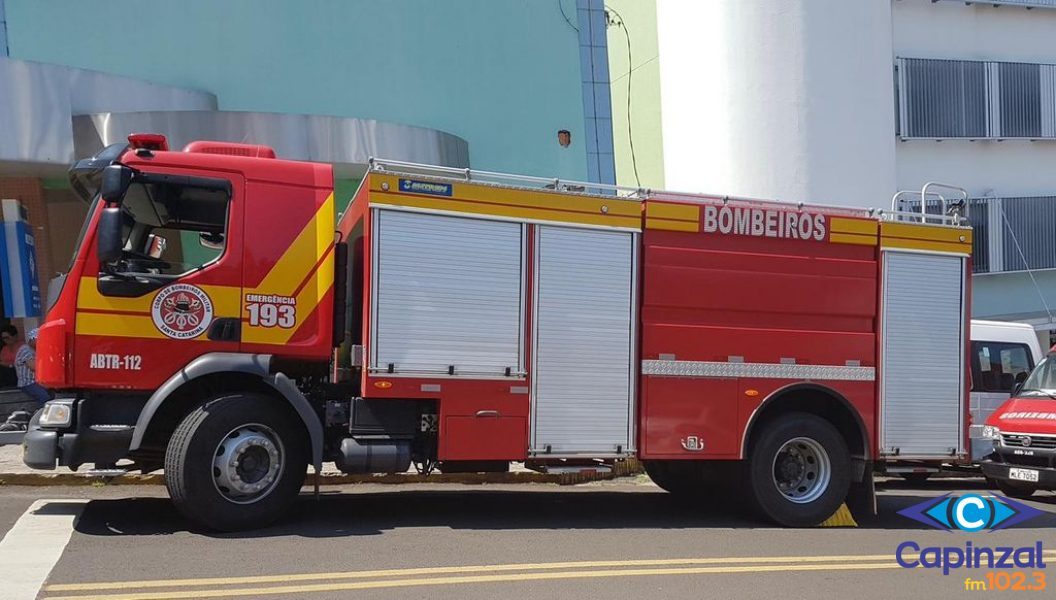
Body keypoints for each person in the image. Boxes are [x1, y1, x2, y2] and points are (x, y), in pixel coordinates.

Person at [14, 328, 49, 404]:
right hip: (28, 383)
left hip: (38, 382)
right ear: (32, 339)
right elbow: (33, 367)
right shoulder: (26, 350)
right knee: (44, 397)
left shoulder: (36, 350)